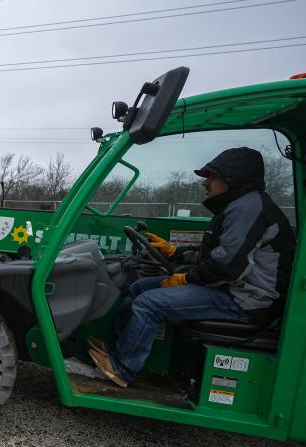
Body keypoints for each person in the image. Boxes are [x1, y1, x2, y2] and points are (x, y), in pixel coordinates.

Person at [89, 147, 295, 387]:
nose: (205, 182)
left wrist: (185, 279)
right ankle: (116, 349)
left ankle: (123, 369)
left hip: (247, 301)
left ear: (233, 178)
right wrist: (177, 252)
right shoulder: (236, 206)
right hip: (232, 289)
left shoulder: (248, 208)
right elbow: (214, 256)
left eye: (212, 177)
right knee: (139, 288)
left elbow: (227, 267)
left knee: (149, 303)